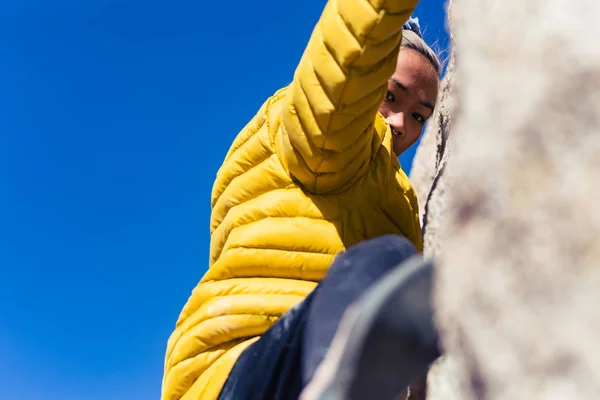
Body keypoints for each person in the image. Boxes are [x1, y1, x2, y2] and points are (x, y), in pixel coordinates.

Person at [161, 0, 441, 399]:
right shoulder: (319, 137)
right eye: (391, 96)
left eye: (418, 116)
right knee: (383, 267)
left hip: (284, 369)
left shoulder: (396, 195)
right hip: (244, 366)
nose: (400, 123)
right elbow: (348, 55)